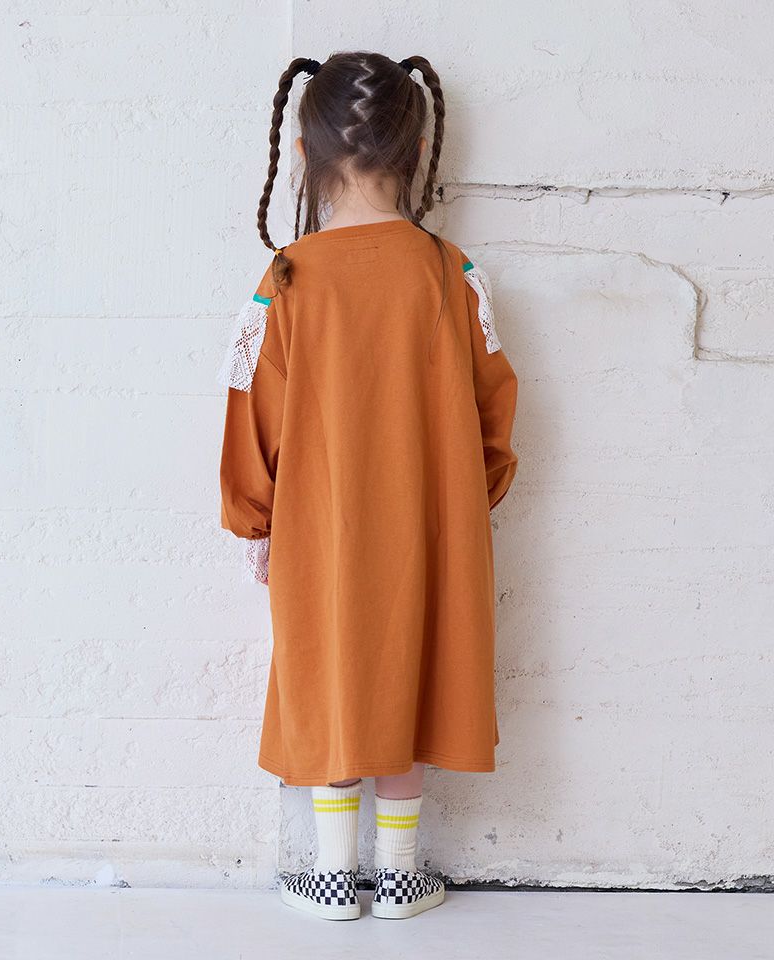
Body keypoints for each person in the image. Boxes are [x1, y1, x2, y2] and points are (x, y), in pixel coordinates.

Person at [218, 51, 518, 921]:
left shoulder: (286, 281)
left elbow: (250, 406)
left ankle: (329, 873)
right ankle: (399, 872)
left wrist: (256, 521)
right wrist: (465, 500)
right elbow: (497, 403)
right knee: (415, 671)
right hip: (433, 526)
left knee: (332, 670)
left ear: (302, 155)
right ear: (417, 151)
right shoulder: (454, 272)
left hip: (320, 526)